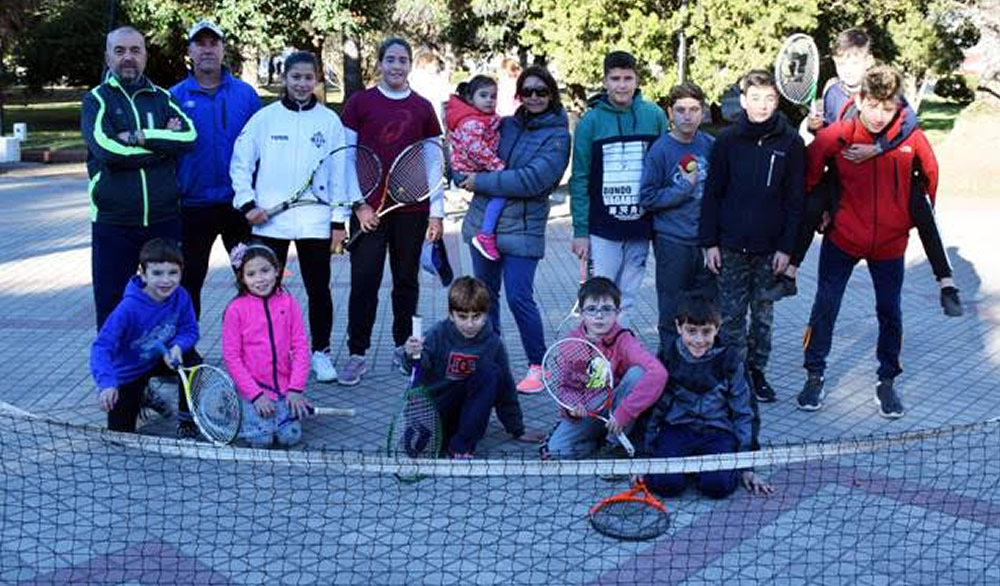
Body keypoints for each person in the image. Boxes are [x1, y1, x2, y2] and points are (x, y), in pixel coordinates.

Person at [769, 27, 962, 317]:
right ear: (834, 62)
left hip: (883, 172)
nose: (849, 69)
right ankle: (791, 273)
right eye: (842, 62)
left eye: (855, 61)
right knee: (811, 204)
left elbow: (909, 122)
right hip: (843, 176)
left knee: (921, 208)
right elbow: (825, 138)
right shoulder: (831, 91)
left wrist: (880, 147)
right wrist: (813, 126)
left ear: (868, 60)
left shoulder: (882, 87)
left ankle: (946, 283)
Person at [797, 65, 940, 418]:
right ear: (859, 99)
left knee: (890, 312)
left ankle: (887, 379)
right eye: (872, 105)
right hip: (843, 239)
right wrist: (824, 210)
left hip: (890, 246)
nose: (878, 115)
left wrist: (907, 220)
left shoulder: (912, 140)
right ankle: (814, 374)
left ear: (899, 107)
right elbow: (810, 174)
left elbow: (931, 179)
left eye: (887, 108)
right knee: (825, 305)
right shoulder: (838, 135)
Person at [230, 51, 353, 384]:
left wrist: (339, 220)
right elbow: (240, 164)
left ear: (317, 80)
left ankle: (321, 353)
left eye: (308, 77)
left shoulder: (329, 121)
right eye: (295, 77)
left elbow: (340, 172)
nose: (301, 83)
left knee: (319, 289)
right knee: (264, 289)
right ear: (285, 79)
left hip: (315, 219)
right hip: (271, 222)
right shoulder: (264, 118)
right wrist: (247, 204)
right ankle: (267, 353)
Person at [337, 37, 445, 386]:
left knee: (406, 282)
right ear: (379, 63)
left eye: (403, 60)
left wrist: (437, 212)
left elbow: (432, 161)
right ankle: (357, 353)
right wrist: (359, 205)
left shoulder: (423, 107)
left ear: (409, 65)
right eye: (391, 59)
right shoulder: (360, 102)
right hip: (367, 210)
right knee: (364, 282)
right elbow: (345, 158)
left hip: (411, 209)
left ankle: (405, 349)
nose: (397, 66)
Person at [457, 65, 571, 393]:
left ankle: (538, 366)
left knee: (520, 297)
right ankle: (490, 363)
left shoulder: (559, 136)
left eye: (541, 92)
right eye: (528, 91)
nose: (534, 97)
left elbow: (534, 180)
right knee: (483, 300)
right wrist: (460, 169)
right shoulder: (504, 125)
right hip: (483, 227)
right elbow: (470, 147)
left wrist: (481, 180)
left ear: (552, 95)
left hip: (522, 230)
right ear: (518, 95)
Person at [698, 69, 804, 404]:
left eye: (769, 98)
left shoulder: (791, 143)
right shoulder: (727, 141)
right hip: (729, 247)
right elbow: (712, 194)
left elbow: (795, 201)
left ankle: (757, 372)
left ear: (778, 100)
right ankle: (734, 374)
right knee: (730, 318)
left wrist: (788, 249)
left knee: (762, 316)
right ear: (744, 101)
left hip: (769, 250)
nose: (762, 105)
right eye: (755, 98)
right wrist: (709, 242)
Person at [81, 26, 196, 330]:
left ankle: (163, 362)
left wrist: (140, 136)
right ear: (108, 57)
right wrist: (161, 148)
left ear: (145, 54)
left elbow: (188, 137)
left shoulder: (162, 98)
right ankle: (117, 369)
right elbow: (106, 151)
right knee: (112, 299)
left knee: (165, 296)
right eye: (119, 51)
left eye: (135, 50)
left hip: (163, 217)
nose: (128, 57)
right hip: (114, 220)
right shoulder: (96, 100)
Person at [569, 51, 669, 328]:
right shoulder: (590, 121)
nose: (622, 85)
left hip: (640, 225)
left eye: (628, 78)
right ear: (605, 81)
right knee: (601, 296)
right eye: (615, 79)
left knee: (629, 296)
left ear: (637, 80)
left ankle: (619, 350)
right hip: (603, 228)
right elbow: (580, 177)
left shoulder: (654, 115)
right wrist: (580, 230)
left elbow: (663, 168)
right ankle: (597, 355)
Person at [170, 19, 261, 320]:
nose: (207, 49)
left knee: (254, 280)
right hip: (192, 206)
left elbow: (262, 150)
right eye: (200, 43)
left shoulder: (246, 95)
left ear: (223, 50)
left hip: (238, 206)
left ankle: (254, 348)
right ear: (190, 51)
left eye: (214, 43)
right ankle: (186, 350)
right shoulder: (173, 98)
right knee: (188, 281)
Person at [643, 294, 773, 498]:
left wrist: (748, 466)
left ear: (717, 329)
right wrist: (645, 458)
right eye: (691, 331)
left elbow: (744, 412)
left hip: (717, 432)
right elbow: (654, 409)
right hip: (678, 429)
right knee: (666, 485)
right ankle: (684, 468)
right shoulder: (669, 356)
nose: (699, 340)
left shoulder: (730, 359)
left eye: (706, 332)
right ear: (679, 327)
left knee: (718, 487)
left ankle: (706, 470)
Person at [401, 277, 539, 457]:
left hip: (467, 413)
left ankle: (462, 446)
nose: (469, 324)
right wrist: (411, 354)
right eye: (462, 317)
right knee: (417, 450)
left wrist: (517, 429)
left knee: (492, 373)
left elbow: (506, 388)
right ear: (451, 315)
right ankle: (444, 435)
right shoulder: (437, 333)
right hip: (432, 409)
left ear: (486, 314)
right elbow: (416, 367)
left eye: (476, 317)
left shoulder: (492, 343)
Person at [544, 277, 667, 460]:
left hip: (616, 408)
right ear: (581, 313)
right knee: (557, 451)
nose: (599, 316)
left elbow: (658, 373)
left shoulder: (624, 340)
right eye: (592, 309)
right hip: (588, 409)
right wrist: (572, 408)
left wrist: (624, 413)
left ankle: (613, 443)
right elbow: (564, 387)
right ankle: (597, 441)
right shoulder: (570, 344)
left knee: (638, 374)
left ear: (617, 312)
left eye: (607, 309)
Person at [639, 81, 716, 358]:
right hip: (673, 241)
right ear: (670, 112)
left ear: (702, 112)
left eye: (694, 109)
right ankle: (669, 365)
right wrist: (683, 188)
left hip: (706, 243)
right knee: (672, 308)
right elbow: (647, 198)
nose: (687, 115)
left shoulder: (710, 145)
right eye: (681, 109)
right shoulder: (661, 149)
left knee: (706, 309)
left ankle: (703, 363)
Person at [90, 238, 199, 433]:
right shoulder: (128, 308)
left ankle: (187, 421)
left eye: (173, 273)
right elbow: (102, 347)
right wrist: (107, 383)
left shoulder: (181, 295)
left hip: (162, 357)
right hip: (130, 370)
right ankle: (141, 395)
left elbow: (189, 330)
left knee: (192, 361)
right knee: (120, 435)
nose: (166, 280)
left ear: (181, 271)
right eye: (157, 273)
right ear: (143, 274)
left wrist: (177, 347)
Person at [221, 243, 312, 448]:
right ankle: (237, 407)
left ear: (277, 270)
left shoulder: (288, 302)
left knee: (290, 437)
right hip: (253, 391)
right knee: (262, 440)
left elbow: (300, 347)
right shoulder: (235, 310)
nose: (260, 279)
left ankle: (286, 408)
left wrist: (296, 389)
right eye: (251, 274)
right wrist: (256, 396)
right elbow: (231, 357)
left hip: (284, 389)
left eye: (265, 270)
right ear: (242, 278)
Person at [446, 75, 506, 261]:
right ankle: (486, 234)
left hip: (474, 168)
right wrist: (498, 166)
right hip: (467, 170)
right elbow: (476, 149)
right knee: (501, 193)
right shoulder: (471, 122)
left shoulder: (482, 118)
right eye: (484, 95)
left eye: (493, 96)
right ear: (471, 99)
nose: (489, 100)